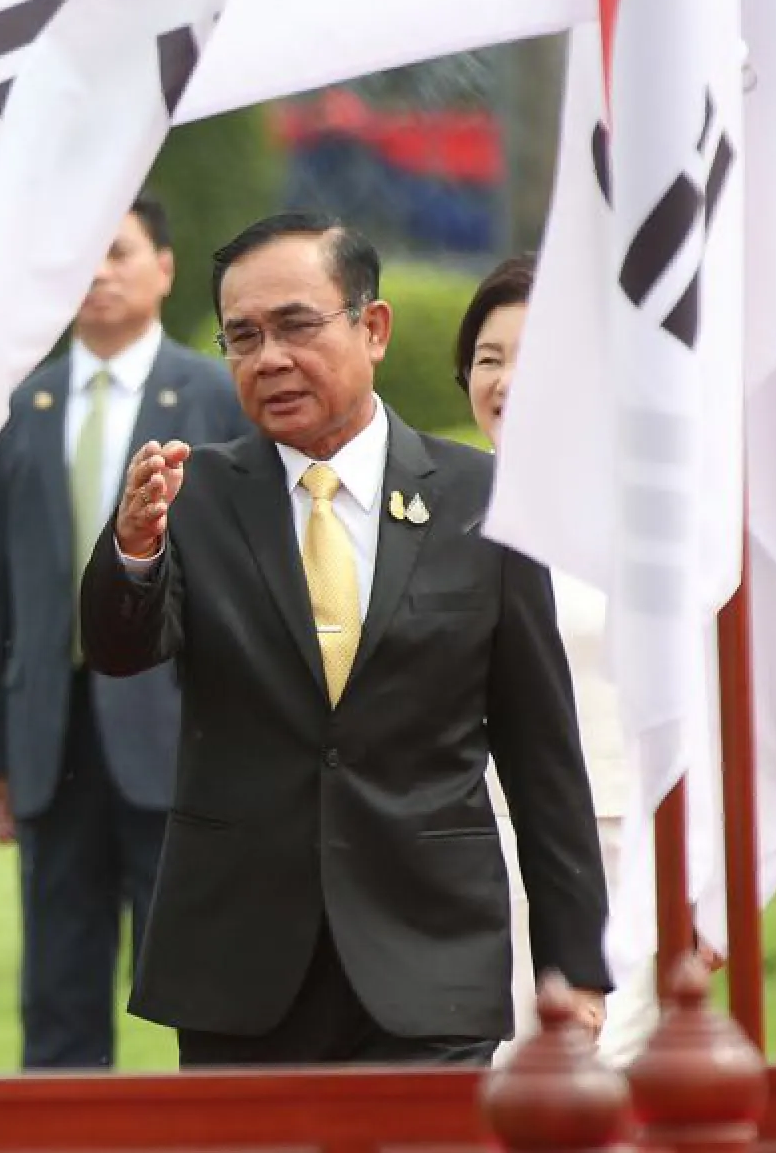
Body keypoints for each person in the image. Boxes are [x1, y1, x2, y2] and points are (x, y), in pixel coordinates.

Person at [80, 212, 611, 1067]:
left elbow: (542, 752)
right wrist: (134, 546)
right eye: (243, 337)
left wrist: (574, 963)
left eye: (296, 326)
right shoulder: (199, 493)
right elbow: (119, 647)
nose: (270, 358)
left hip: (430, 956)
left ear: (373, 328)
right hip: (240, 967)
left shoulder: (483, 500)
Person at [0, 190, 247, 1068]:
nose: (98, 274)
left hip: (180, 736)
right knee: (57, 991)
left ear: (164, 268)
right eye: (80, 259)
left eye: (118, 253)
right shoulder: (21, 406)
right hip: (53, 735)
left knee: (200, 989)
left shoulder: (214, 397)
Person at [453, 254, 721, 1068]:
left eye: (534, 358)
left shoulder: (648, 524)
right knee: (492, 1089)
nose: (505, 381)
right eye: (489, 360)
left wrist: (706, 892)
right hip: (472, 851)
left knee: (610, 1089)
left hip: (624, 850)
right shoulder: (444, 513)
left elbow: (703, 706)